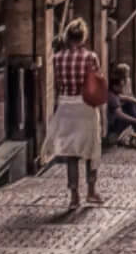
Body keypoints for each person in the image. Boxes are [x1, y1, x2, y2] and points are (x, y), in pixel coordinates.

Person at [40, 18, 105, 209]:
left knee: (71, 153)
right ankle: (91, 191)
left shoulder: (57, 58)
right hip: (85, 106)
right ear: (83, 37)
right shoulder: (91, 57)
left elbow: (55, 85)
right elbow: (96, 85)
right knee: (91, 149)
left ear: (67, 36)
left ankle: (74, 196)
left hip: (66, 106)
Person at [106, 63, 136, 146]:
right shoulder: (113, 97)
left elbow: (129, 94)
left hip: (126, 105)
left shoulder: (125, 82)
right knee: (132, 106)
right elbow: (119, 114)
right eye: (120, 87)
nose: (122, 88)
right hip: (119, 116)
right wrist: (135, 120)